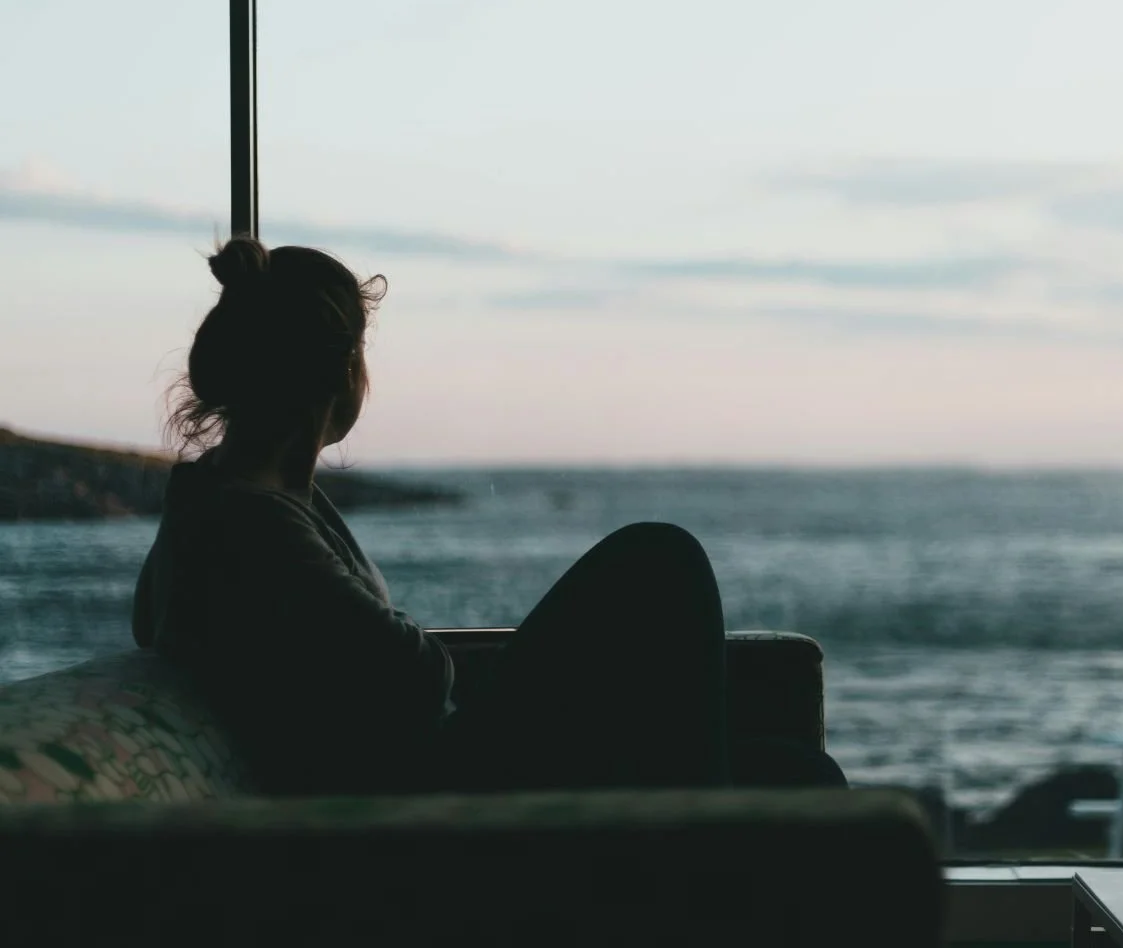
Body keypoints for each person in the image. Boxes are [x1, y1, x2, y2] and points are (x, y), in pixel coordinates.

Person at [132, 236, 844, 796]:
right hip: (433, 799)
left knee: (797, 777)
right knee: (660, 562)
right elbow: (412, 678)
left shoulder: (227, 501)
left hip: (423, 773)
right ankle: (683, 865)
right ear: (336, 378)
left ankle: (697, 833)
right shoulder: (252, 526)